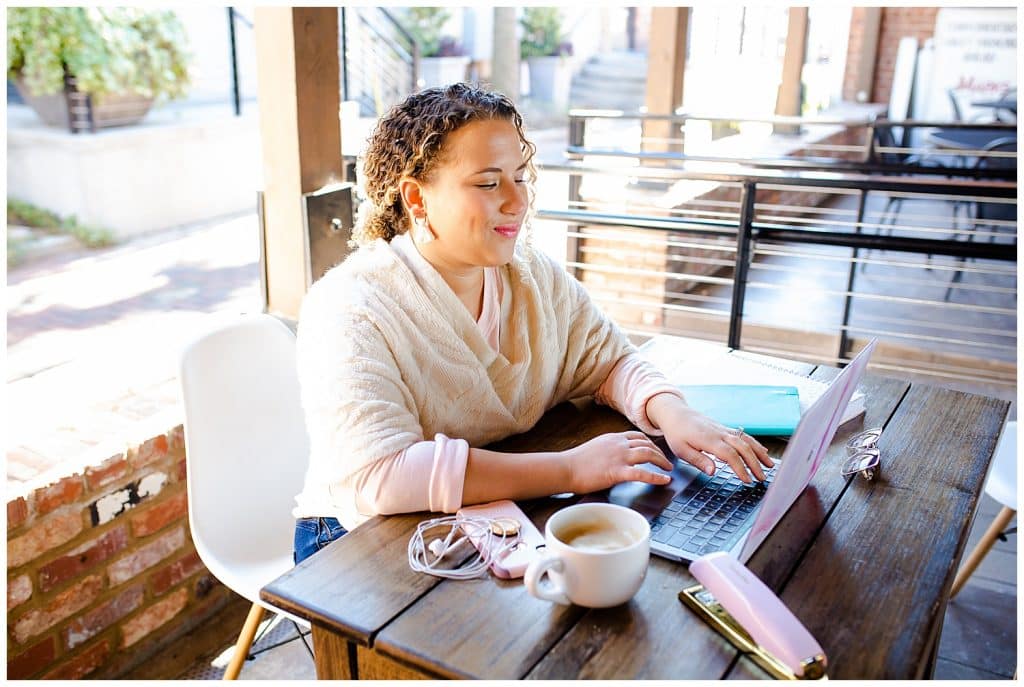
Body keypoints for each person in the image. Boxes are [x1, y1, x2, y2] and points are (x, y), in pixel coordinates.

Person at [291, 83, 772, 563]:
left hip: (491, 514)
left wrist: (674, 413)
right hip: (355, 539)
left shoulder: (531, 274)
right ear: (416, 198)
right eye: (487, 183)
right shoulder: (350, 307)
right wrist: (569, 470)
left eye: (520, 177)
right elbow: (383, 474)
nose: (516, 201)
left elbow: (608, 361)